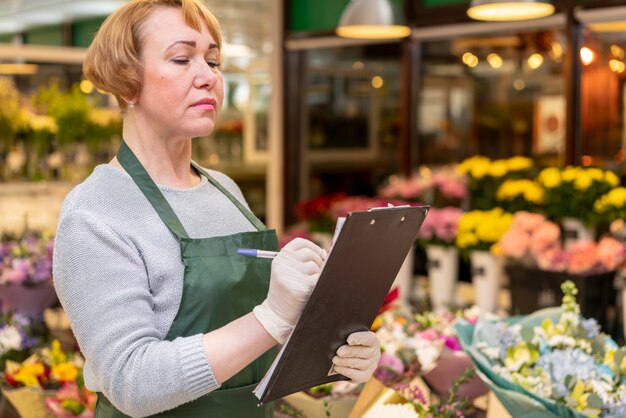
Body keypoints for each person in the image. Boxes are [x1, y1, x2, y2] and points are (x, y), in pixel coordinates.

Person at [52, 1, 380, 417]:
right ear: (126, 82)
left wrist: (331, 346)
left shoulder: (225, 191)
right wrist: (271, 318)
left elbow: (253, 349)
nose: (208, 77)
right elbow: (131, 383)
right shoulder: (95, 213)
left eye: (212, 60)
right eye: (181, 58)